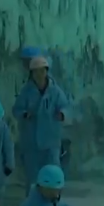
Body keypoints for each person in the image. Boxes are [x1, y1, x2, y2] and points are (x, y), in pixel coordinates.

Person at [13, 56, 70, 186]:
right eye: (36, 71)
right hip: (31, 141)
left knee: (53, 173)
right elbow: (17, 109)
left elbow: (65, 106)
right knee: (33, 176)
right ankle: (33, 197)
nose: (39, 74)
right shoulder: (26, 92)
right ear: (31, 73)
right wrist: (24, 114)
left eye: (42, 71)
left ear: (46, 71)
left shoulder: (55, 91)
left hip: (51, 140)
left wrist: (62, 114)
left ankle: (53, 197)